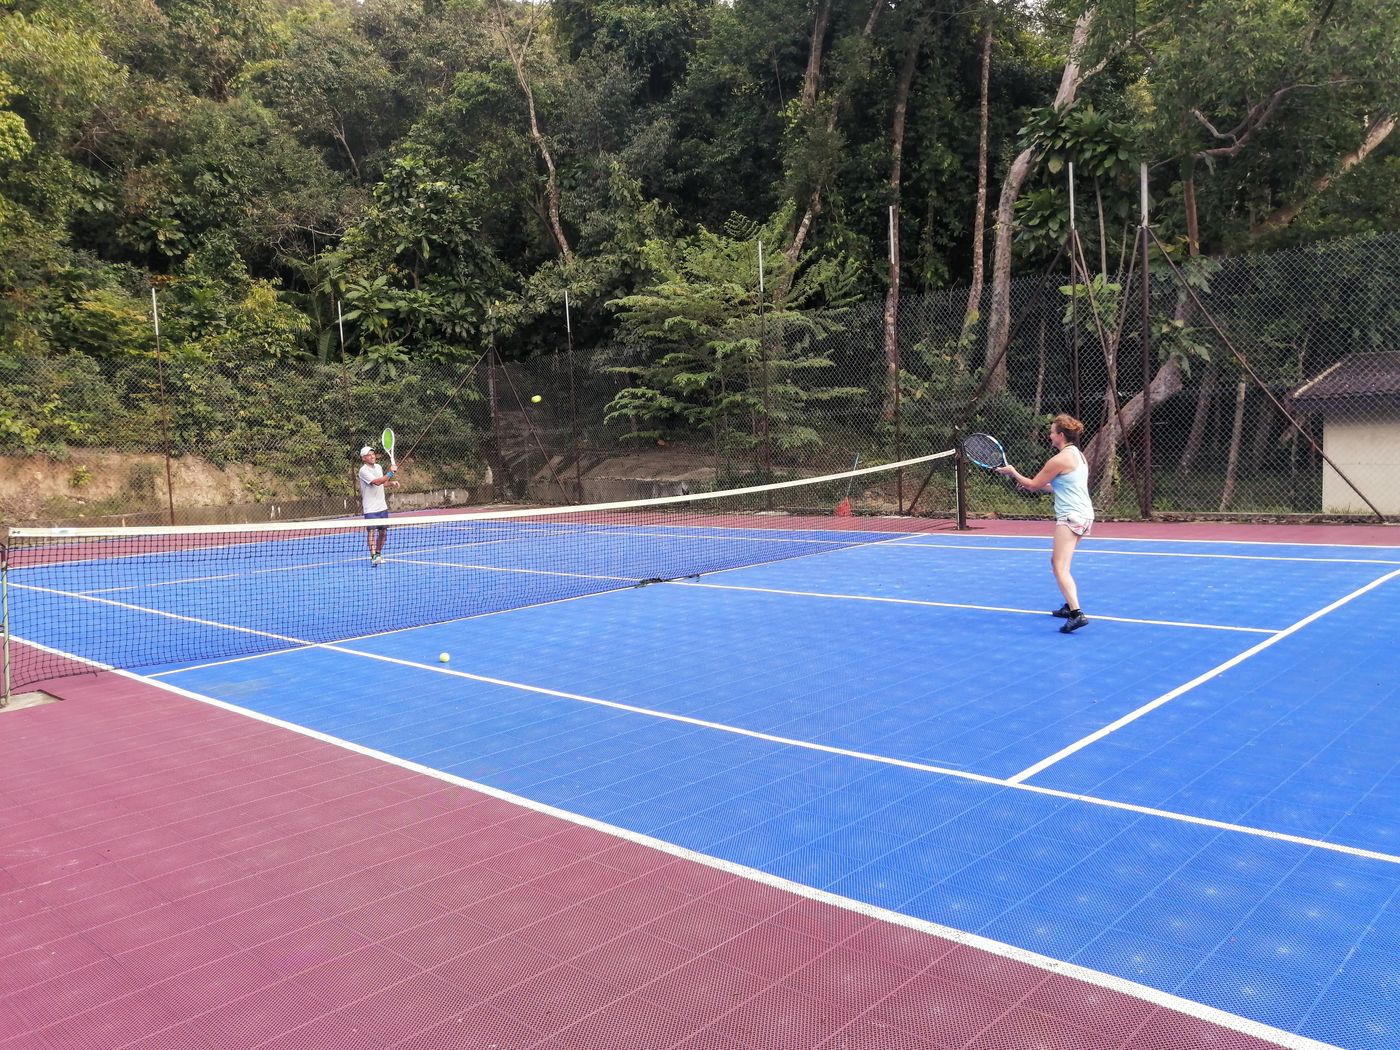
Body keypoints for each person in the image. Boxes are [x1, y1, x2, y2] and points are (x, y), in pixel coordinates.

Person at [995, 414, 1094, 633]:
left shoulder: (1058, 459)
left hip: (1071, 517)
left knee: (1059, 566)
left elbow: (1032, 483)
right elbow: (1059, 486)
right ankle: (1070, 606)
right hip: (1084, 515)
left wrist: (1013, 472)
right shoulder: (1078, 455)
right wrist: (1036, 485)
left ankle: (1077, 613)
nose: (1049, 435)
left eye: (1051, 432)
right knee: (1062, 563)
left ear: (1060, 435)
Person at [357, 445, 398, 566]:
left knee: (383, 532)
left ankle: (379, 553)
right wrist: (391, 472)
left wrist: (391, 483)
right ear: (363, 458)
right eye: (369, 455)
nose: (372, 456)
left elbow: (382, 482)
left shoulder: (379, 467)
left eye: (373, 454)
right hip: (370, 508)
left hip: (382, 506)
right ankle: (373, 556)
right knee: (371, 532)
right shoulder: (363, 471)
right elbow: (376, 482)